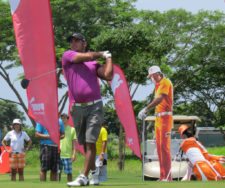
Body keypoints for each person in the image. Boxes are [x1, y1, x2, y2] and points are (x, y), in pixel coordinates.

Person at [62, 32, 113, 187]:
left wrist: (109, 58)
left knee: (91, 142)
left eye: (77, 41)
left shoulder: (93, 64)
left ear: (84, 43)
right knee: (84, 144)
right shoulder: (68, 56)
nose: (74, 43)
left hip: (94, 106)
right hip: (77, 108)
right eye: (72, 41)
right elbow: (80, 58)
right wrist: (101, 53)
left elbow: (108, 75)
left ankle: (83, 177)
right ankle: (93, 172)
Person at [138, 65, 173, 181]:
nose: (150, 79)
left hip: (165, 119)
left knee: (164, 148)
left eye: (151, 76)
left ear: (157, 74)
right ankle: (162, 175)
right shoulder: (158, 85)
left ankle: (168, 177)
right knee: (159, 148)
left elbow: (159, 99)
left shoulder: (165, 82)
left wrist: (146, 109)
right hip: (158, 119)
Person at [59, 113, 77, 182]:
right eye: (62, 118)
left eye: (64, 118)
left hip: (68, 155)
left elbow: (74, 143)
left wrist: (74, 154)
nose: (63, 119)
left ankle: (70, 184)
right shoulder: (58, 129)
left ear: (67, 119)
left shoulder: (72, 129)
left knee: (69, 172)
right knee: (58, 172)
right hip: (59, 154)